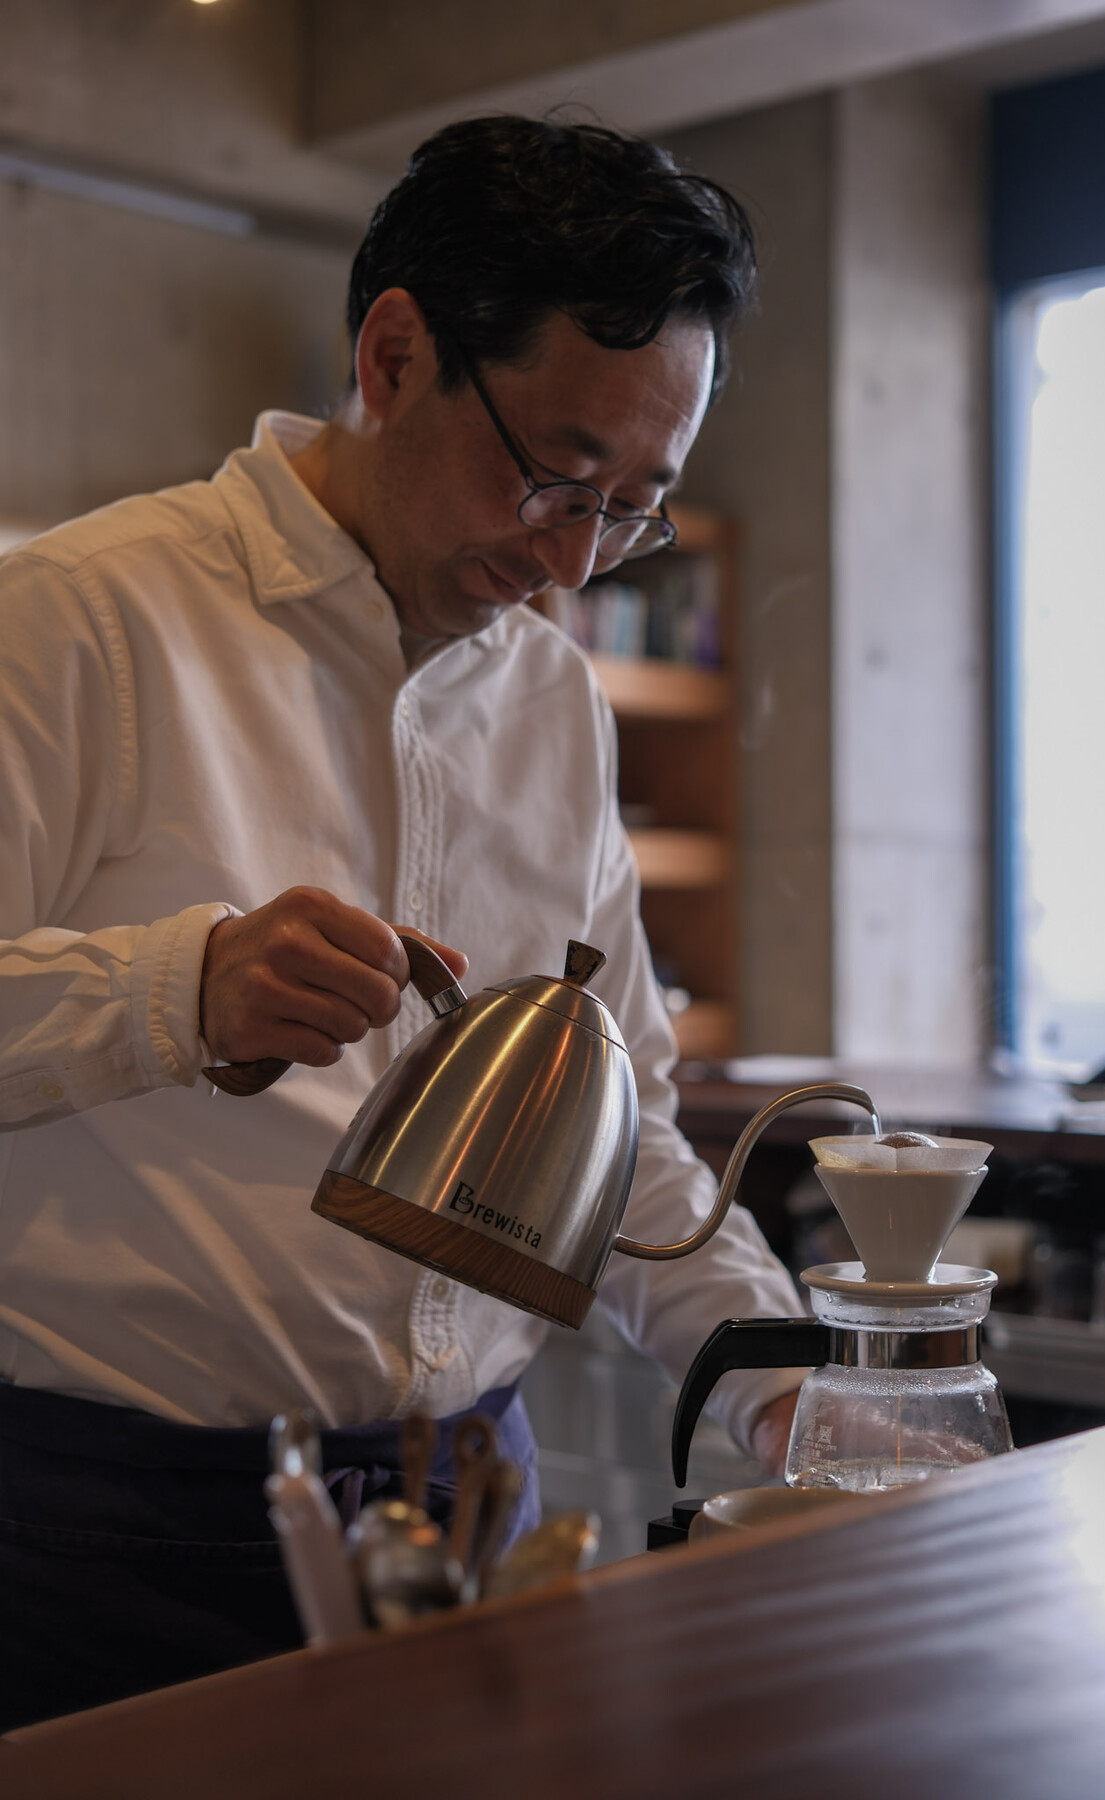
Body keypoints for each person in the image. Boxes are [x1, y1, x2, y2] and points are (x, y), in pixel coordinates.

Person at [0, 116, 806, 1728]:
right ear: (393, 355)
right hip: (107, 1534)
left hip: (471, 1509)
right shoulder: (81, 618)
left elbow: (623, 1136)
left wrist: (790, 1389)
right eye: (554, 475)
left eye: (632, 509)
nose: (572, 562)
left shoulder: (555, 699)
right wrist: (179, 991)